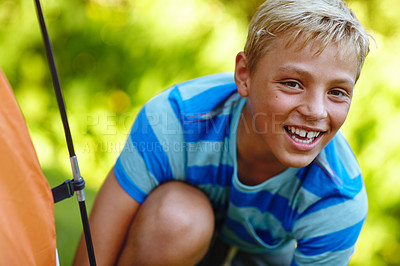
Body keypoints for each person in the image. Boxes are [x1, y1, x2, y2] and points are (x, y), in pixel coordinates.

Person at [74, 0, 371, 265]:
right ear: (244, 75)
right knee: (177, 218)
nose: (317, 111)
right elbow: (95, 253)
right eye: (292, 83)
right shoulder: (175, 120)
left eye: (337, 91)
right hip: (172, 240)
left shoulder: (338, 198)